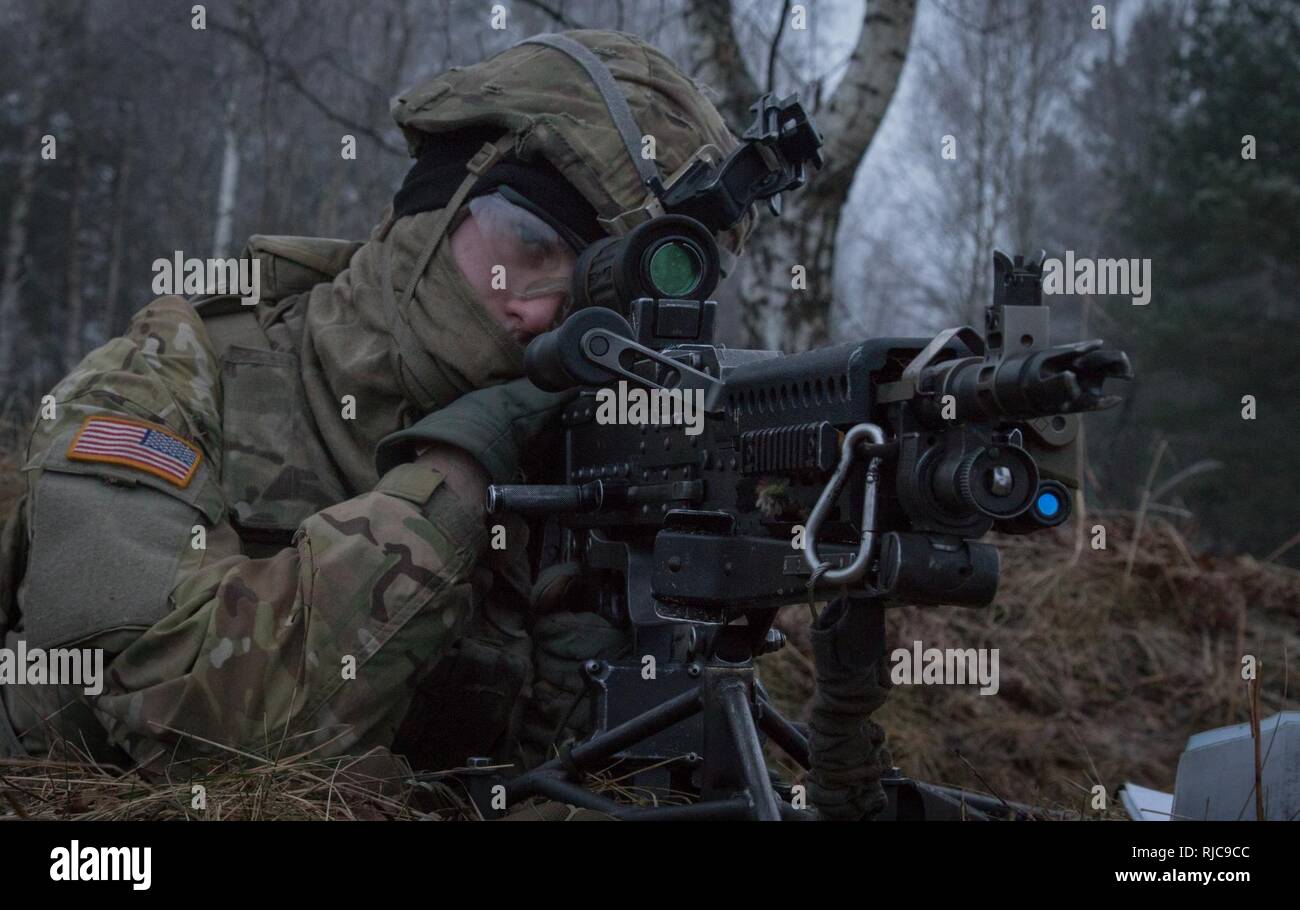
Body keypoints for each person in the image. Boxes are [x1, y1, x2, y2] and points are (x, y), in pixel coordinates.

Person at [0, 30, 755, 776]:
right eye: (530, 245)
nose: (540, 311)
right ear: (435, 203)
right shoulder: (169, 377)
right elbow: (194, 729)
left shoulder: (574, 471)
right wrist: (451, 487)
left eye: (595, 294)